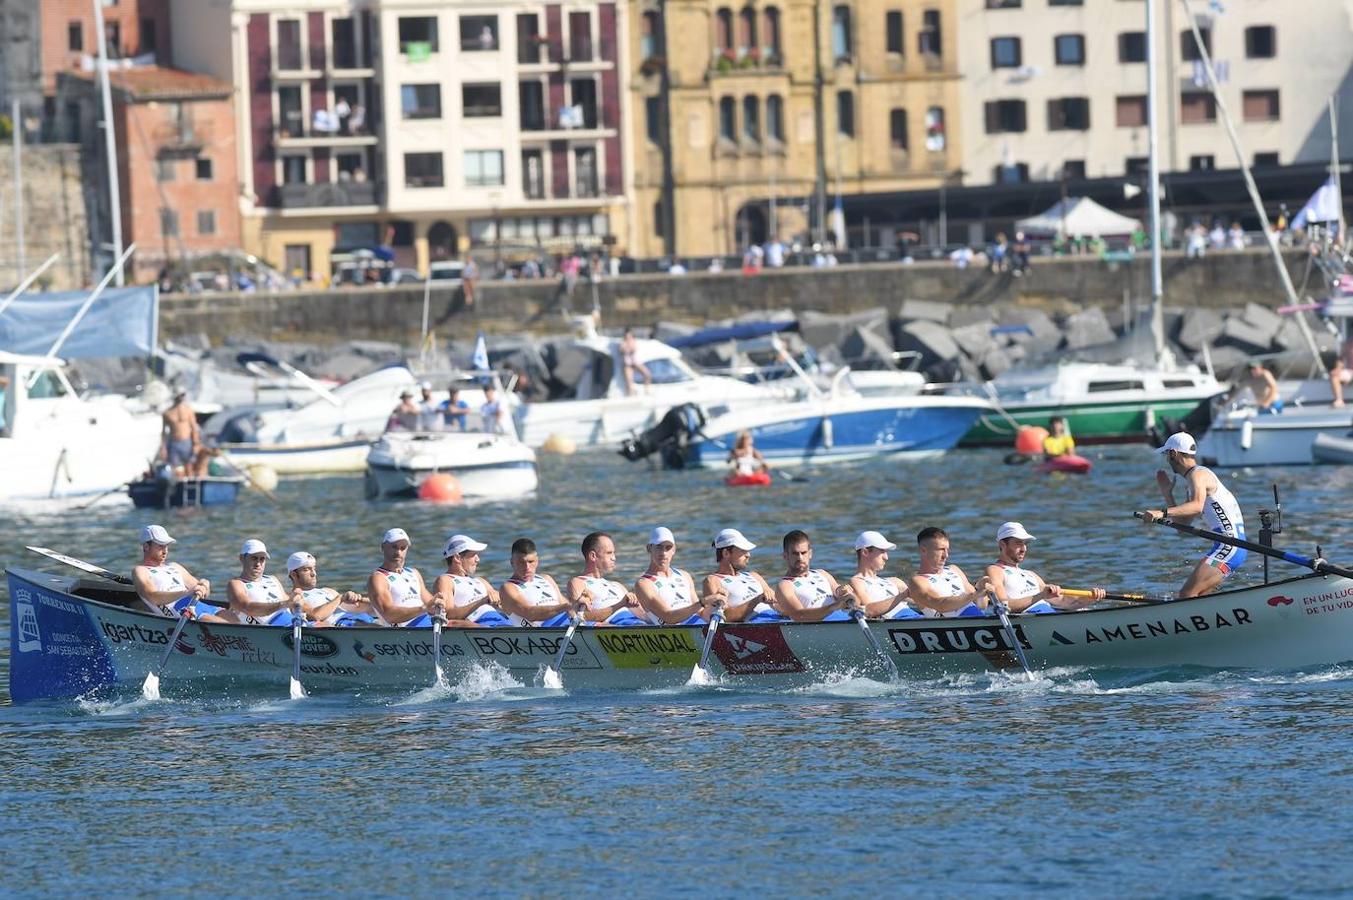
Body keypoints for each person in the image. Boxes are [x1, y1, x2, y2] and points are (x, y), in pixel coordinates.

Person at [1139, 432, 1246, 598]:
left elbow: (1196, 507)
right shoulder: (1194, 482)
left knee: (1187, 594)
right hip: (1229, 547)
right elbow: (1182, 527)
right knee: (1198, 598)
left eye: (1166, 454)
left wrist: (1161, 513)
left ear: (1173, 453)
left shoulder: (1199, 475)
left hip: (1228, 547)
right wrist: (1168, 494)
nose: (1167, 460)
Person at [984, 522, 1102, 614]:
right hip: (1031, 621)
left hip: (1048, 615)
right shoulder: (995, 570)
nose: (1024, 549)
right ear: (1002, 545)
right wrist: (1040, 596)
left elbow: (1063, 602)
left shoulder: (1031, 574)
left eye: (1025, 544)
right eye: (1018, 543)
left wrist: (1090, 598)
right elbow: (1003, 605)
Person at [131, 524, 225, 621]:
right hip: (180, 610)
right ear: (146, 547)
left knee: (232, 617)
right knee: (222, 623)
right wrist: (186, 592)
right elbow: (152, 596)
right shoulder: (141, 570)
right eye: (160, 546)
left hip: (197, 605)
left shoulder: (175, 566)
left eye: (167, 546)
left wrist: (205, 585)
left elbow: (203, 593)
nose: (165, 551)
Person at [365, 527, 451, 626]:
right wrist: (424, 608)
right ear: (383, 547)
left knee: (462, 624)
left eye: (403, 548)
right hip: (406, 629)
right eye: (394, 547)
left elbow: (430, 605)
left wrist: (439, 602)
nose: (398, 552)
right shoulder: (378, 578)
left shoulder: (413, 573)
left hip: (427, 622)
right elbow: (389, 615)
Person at [773, 530, 856, 622]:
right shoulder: (784, 585)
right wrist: (833, 607)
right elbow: (799, 615)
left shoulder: (822, 573)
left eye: (803, 553)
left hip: (844, 619)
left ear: (810, 553)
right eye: (795, 553)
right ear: (785, 556)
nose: (800, 558)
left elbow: (838, 591)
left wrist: (846, 593)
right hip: (819, 627)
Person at [906, 526, 990, 617]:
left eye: (947, 550)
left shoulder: (954, 569)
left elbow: (981, 606)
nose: (946, 555)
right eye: (941, 550)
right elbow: (941, 605)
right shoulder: (918, 581)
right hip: (955, 626)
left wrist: (981, 590)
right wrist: (974, 594)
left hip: (978, 621)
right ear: (923, 550)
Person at [568, 532, 647, 625]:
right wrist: (620, 604)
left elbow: (645, 616)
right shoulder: (578, 582)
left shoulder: (617, 585)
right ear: (593, 556)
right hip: (614, 626)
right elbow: (581, 616)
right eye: (609, 553)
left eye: (614, 553)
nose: (614, 558)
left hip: (637, 624)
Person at [701, 528, 778, 622]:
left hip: (776, 618)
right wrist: (756, 600)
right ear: (726, 553)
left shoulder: (754, 576)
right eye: (742, 550)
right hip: (755, 624)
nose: (748, 555)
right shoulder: (713, 580)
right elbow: (726, 617)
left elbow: (778, 605)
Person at [498, 538, 579, 626]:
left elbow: (569, 607)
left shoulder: (547, 579)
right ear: (512, 563)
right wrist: (564, 607)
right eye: (521, 562)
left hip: (565, 624)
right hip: (540, 632)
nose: (527, 568)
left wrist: (579, 603)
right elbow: (529, 613)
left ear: (537, 561)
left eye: (531, 561)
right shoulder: (509, 588)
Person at [433, 534, 511, 625]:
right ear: (457, 558)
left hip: (499, 620)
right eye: (474, 555)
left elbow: (504, 604)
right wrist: (481, 601)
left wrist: (502, 601)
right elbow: (448, 615)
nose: (478, 559)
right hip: (477, 625)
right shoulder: (445, 580)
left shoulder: (481, 581)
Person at [634, 527, 707, 624]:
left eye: (668, 548)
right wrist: (703, 602)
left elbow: (701, 612)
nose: (663, 553)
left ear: (674, 550)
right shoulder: (644, 584)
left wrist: (715, 603)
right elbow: (669, 617)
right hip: (677, 631)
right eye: (659, 547)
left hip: (700, 626)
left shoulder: (685, 576)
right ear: (649, 548)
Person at [285, 551, 373, 626]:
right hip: (343, 626)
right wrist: (340, 598)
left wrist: (359, 598)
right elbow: (316, 616)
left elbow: (363, 608)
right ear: (293, 574)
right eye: (307, 570)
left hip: (358, 619)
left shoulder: (328, 591)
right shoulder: (295, 598)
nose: (314, 574)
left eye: (314, 568)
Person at [223, 539, 298, 626]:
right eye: (254, 558)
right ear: (242, 558)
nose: (258, 563)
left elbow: (289, 602)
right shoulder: (236, 584)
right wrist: (281, 605)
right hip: (270, 629)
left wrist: (297, 600)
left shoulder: (273, 579)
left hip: (292, 623)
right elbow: (247, 607)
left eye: (262, 559)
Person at [848, 531, 917, 619]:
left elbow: (923, 601)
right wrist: (902, 595)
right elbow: (871, 611)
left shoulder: (895, 581)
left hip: (914, 617)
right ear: (865, 552)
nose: (886, 557)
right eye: (882, 551)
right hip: (898, 621)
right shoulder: (857, 582)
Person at [160, 391, 200, 476]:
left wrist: (196, 443)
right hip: (174, 442)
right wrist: (163, 448)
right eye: (179, 396)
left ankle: (190, 484)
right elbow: (164, 432)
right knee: (174, 468)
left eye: (182, 396)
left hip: (187, 441)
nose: (181, 398)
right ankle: (177, 485)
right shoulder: (167, 413)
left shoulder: (188, 410)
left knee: (189, 466)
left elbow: (194, 427)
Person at [619, 328, 651, 396]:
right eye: (627, 336)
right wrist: (627, 347)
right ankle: (631, 394)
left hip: (636, 363)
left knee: (647, 374)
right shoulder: (622, 343)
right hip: (627, 364)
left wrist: (628, 347)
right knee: (629, 380)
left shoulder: (634, 342)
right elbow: (622, 351)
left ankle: (647, 390)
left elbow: (633, 349)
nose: (628, 337)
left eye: (629, 336)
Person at [1330, 339, 1352, 408]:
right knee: (1335, 375)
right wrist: (1338, 369)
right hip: (1350, 372)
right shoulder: (1347, 345)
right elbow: (1341, 359)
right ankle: (1339, 400)